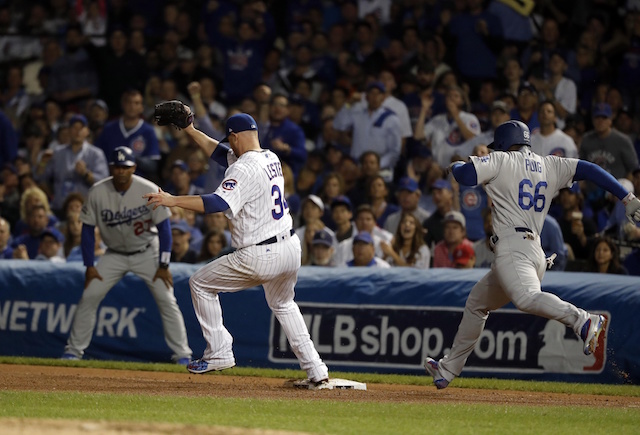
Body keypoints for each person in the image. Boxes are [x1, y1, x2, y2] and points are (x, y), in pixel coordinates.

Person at [424, 120, 640, 389]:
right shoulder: (549, 164)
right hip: (533, 251)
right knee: (477, 304)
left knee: (525, 298)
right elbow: (591, 169)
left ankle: (583, 320)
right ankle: (448, 368)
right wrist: (627, 197)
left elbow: (465, 176)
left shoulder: (501, 159)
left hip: (513, 250)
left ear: (503, 143)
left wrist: (455, 165)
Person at [144, 111, 330, 387]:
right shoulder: (270, 157)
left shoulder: (243, 168)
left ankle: (219, 351)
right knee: (283, 304)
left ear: (234, 136)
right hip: (290, 247)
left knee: (200, 284)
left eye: (230, 140)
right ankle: (316, 370)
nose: (228, 145)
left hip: (260, 254)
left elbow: (218, 203)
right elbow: (221, 154)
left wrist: (172, 200)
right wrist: (192, 130)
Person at [62, 146, 192, 364]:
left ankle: (183, 355)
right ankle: (73, 351)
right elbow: (86, 229)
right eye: (117, 167)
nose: (121, 171)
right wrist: (89, 265)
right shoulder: (97, 191)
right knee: (89, 296)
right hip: (113, 255)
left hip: (147, 252)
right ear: (111, 168)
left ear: (133, 167)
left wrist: (164, 265)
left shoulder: (149, 189)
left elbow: (164, 229)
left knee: (167, 300)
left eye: (125, 167)